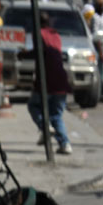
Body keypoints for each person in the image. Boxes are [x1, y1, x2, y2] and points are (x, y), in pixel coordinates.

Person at [21, 12, 73, 155]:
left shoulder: (39, 33)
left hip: (47, 79)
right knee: (56, 115)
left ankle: (44, 127)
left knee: (33, 105)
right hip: (61, 80)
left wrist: (23, 54)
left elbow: (39, 52)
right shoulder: (55, 34)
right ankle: (65, 144)